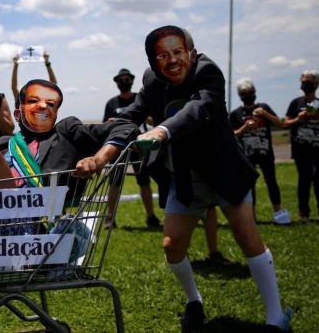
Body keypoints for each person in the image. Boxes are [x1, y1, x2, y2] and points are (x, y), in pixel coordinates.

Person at [119, 26, 291, 331]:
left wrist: (162, 130)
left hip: (224, 173)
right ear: (153, 61)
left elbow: (199, 109)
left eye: (178, 52)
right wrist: (101, 135)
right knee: (172, 246)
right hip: (184, 177)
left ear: (192, 53)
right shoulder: (151, 82)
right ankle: (194, 301)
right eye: (162, 55)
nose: (171, 60)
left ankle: (276, 319)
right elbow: (132, 114)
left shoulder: (208, 71)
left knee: (246, 235)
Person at [0, 79, 139, 234]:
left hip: (30, 229)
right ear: (18, 114)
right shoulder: (1, 144)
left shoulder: (66, 132)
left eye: (50, 104)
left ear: (56, 112)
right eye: (33, 101)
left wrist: (98, 158)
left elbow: (125, 127)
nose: (42, 106)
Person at [103, 68, 166, 228]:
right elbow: (105, 125)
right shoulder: (111, 103)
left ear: (132, 80)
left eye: (127, 79)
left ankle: (151, 217)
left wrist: (142, 116)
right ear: (117, 82)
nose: (124, 82)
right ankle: (109, 218)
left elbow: (155, 121)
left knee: (144, 182)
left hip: (139, 145)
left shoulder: (142, 99)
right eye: (121, 80)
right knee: (115, 183)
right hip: (119, 146)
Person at [229, 78, 288, 221]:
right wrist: (245, 128)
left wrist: (265, 114)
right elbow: (230, 135)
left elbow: (281, 124)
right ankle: (252, 216)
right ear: (240, 95)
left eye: (251, 92)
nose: (248, 95)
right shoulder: (236, 113)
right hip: (247, 155)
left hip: (265, 152)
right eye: (245, 93)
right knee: (250, 186)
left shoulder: (264, 107)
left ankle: (278, 213)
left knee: (271, 181)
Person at [283, 71, 319, 224]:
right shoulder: (295, 103)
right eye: (303, 81)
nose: (305, 84)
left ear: (316, 84)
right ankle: (304, 213)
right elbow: (286, 123)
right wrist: (299, 118)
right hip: (301, 148)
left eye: (309, 82)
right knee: (304, 179)